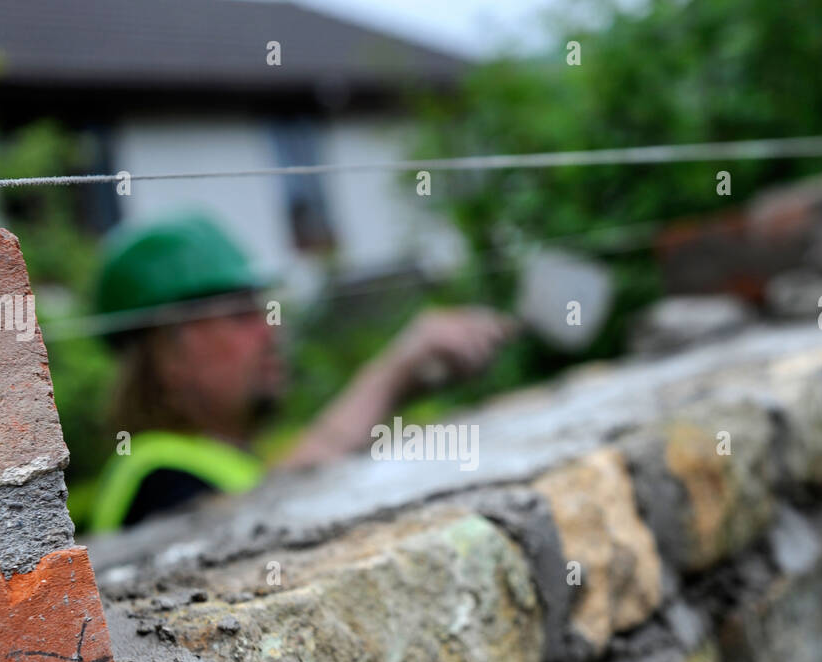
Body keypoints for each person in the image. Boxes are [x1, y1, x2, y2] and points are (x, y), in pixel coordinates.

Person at [89, 213, 512, 530]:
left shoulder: (222, 461)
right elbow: (260, 519)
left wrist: (405, 385)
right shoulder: (154, 480)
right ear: (167, 356)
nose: (272, 329)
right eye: (240, 315)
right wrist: (393, 371)